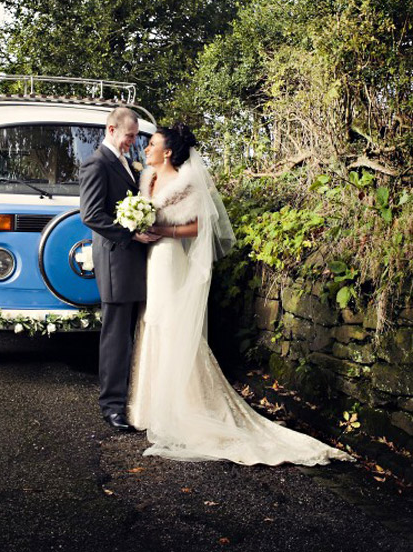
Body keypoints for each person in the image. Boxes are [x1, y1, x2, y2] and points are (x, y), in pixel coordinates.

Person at [127, 123, 353, 466]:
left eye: (152, 145)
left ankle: (183, 408)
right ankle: (153, 407)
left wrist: (163, 230)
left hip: (170, 258)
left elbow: (201, 227)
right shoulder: (147, 179)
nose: (146, 149)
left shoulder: (186, 183)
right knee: (153, 320)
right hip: (150, 259)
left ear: (168, 152)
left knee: (171, 324)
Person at [79, 107, 159, 431]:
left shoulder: (124, 160)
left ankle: (126, 399)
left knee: (127, 334)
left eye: (134, 137)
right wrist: (131, 232)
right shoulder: (96, 163)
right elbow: (92, 215)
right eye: (128, 136)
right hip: (115, 259)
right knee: (114, 337)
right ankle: (111, 407)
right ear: (111, 130)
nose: (132, 142)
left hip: (129, 260)